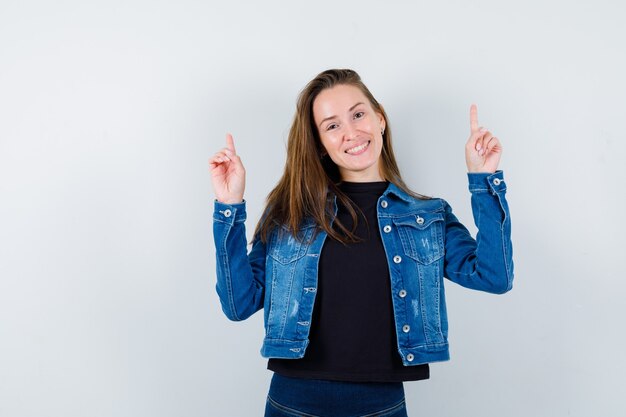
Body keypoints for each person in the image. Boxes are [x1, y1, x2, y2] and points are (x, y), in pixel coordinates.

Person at [209, 69, 513, 417]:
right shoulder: (290, 213)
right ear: (320, 144)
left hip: (380, 405)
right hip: (293, 403)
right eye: (332, 125)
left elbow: (494, 276)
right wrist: (229, 207)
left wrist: (484, 180)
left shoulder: (428, 217)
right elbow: (238, 304)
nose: (351, 132)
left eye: (358, 114)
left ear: (379, 119)